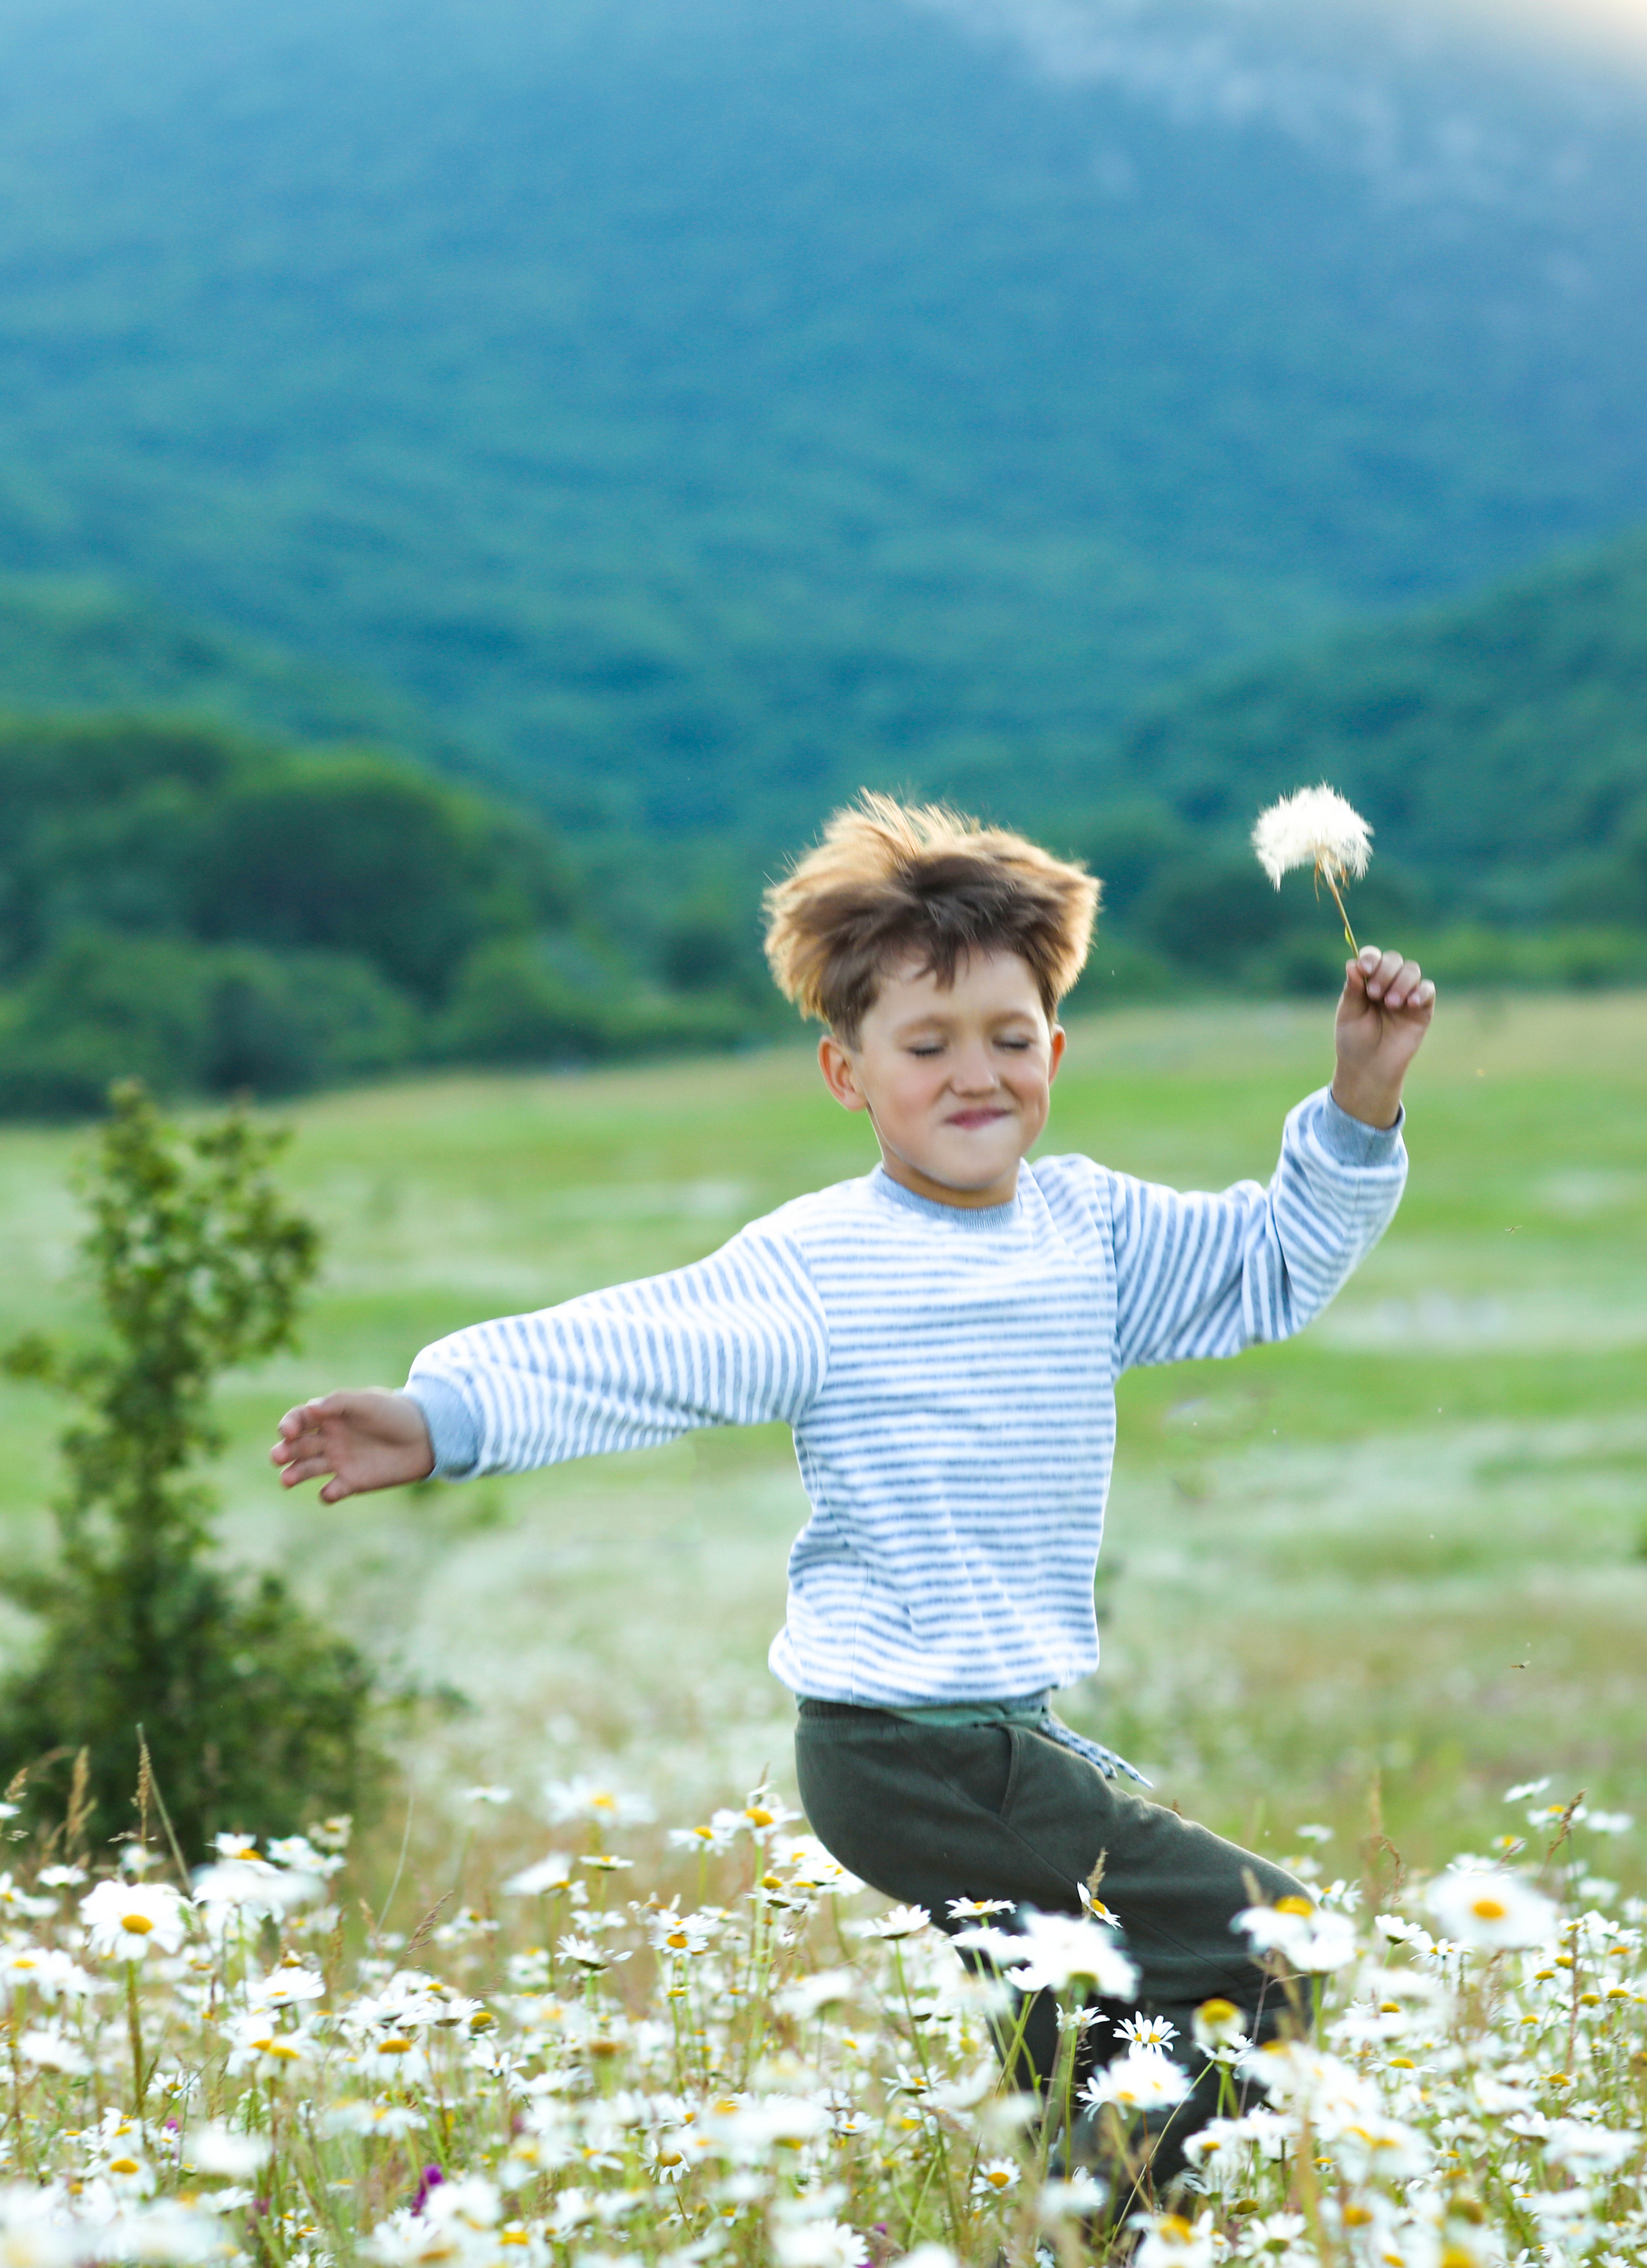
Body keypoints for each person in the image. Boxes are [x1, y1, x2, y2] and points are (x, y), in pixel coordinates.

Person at [270, 793, 1434, 2187]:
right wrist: (439, 1415)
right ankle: (1125, 2222)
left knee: (1081, 2047)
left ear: (1052, 1051)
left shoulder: (1092, 1233)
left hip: (997, 1738)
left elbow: (1269, 1267)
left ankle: (1070, 2214)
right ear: (847, 1072)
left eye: (1008, 1040)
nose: (974, 1075)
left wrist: (1360, 1096)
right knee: (1276, 1940)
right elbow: (647, 1348)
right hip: (912, 1753)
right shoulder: (822, 1264)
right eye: (924, 1044)